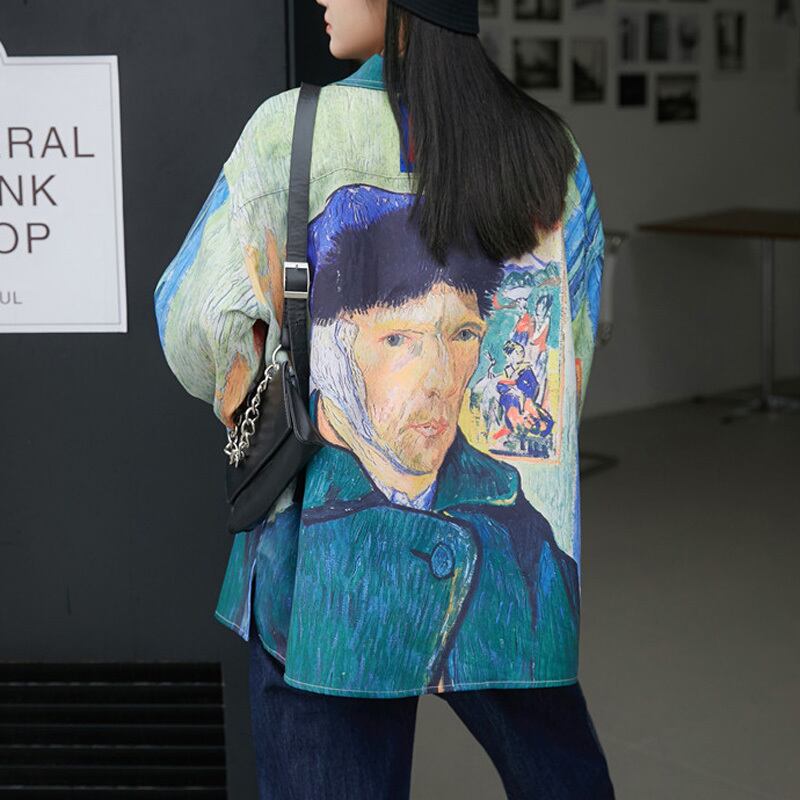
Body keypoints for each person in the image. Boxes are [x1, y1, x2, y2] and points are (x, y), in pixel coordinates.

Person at [154, 0, 614, 797]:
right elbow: (565, 360)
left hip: (317, 579)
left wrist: (277, 383)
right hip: (510, 563)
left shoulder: (290, 131)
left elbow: (197, 326)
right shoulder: (550, 150)